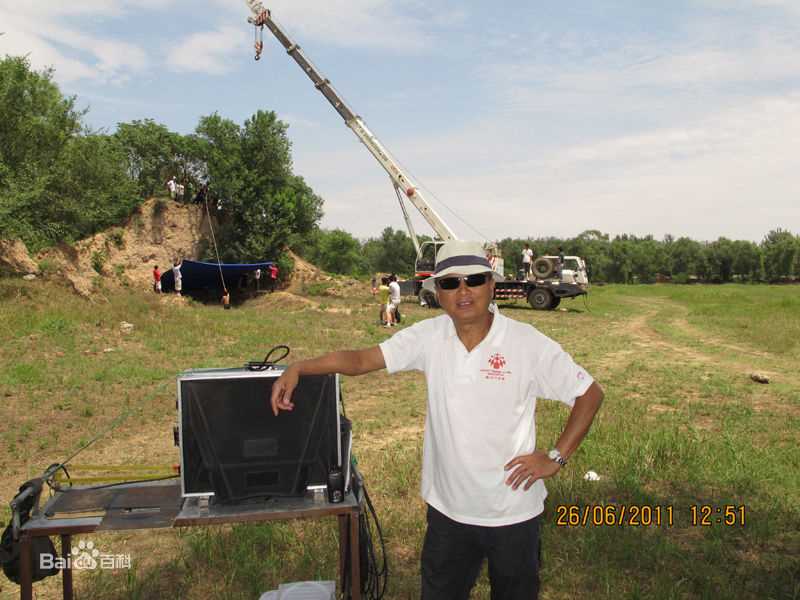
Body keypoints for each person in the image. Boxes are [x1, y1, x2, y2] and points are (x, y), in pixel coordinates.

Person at [270, 240, 604, 600]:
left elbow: (589, 393)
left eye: (473, 279)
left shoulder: (526, 343)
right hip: (448, 512)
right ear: (438, 291)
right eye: (450, 283)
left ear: (491, 284)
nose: (463, 291)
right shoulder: (429, 337)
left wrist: (555, 457)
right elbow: (361, 361)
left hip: (513, 513)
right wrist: (301, 367)